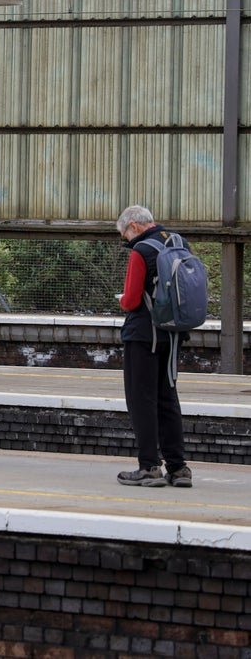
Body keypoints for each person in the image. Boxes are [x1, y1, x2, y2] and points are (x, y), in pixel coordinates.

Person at [115, 204, 192, 488]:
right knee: (168, 399)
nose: (126, 240)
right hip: (173, 335)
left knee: (141, 401)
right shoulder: (178, 243)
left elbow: (133, 300)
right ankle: (178, 467)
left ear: (133, 225)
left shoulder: (141, 251)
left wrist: (122, 300)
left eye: (125, 234)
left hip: (144, 336)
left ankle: (149, 466)